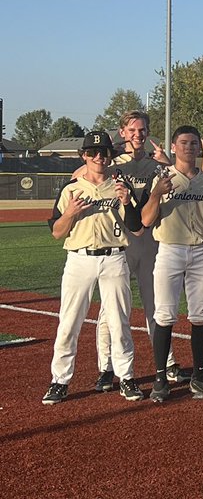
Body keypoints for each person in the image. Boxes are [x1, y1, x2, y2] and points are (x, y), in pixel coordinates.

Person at [42, 131, 144, 405]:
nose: (99, 156)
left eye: (104, 152)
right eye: (92, 152)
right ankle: (59, 380)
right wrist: (71, 213)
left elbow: (136, 229)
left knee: (120, 321)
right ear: (84, 156)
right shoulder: (71, 188)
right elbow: (57, 232)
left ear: (110, 156)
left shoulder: (120, 186)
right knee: (69, 322)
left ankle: (126, 377)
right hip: (79, 258)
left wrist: (125, 202)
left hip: (114, 257)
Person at [89, 110, 181, 390]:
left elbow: (177, 188)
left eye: (142, 130)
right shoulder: (112, 163)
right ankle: (106, 367)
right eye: (132, 130)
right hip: (121, 242)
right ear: (122, 132)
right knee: (111, 308)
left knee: (157, 304)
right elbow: (83, 173)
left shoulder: (157, 165)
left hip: (151, 240)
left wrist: (170, 164)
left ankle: (166, 362)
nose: (138, 135)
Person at [140, 126, 203, 402]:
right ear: (173, 148)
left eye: (193, 144)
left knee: (200, 314)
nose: (189, 148)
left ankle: (199, 376)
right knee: (164, 314)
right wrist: (156, 194)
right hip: (169, 250)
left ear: (199, 149)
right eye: (183, 143)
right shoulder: (162, 179)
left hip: (201, 250)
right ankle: (160, 378)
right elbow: (144, 220)